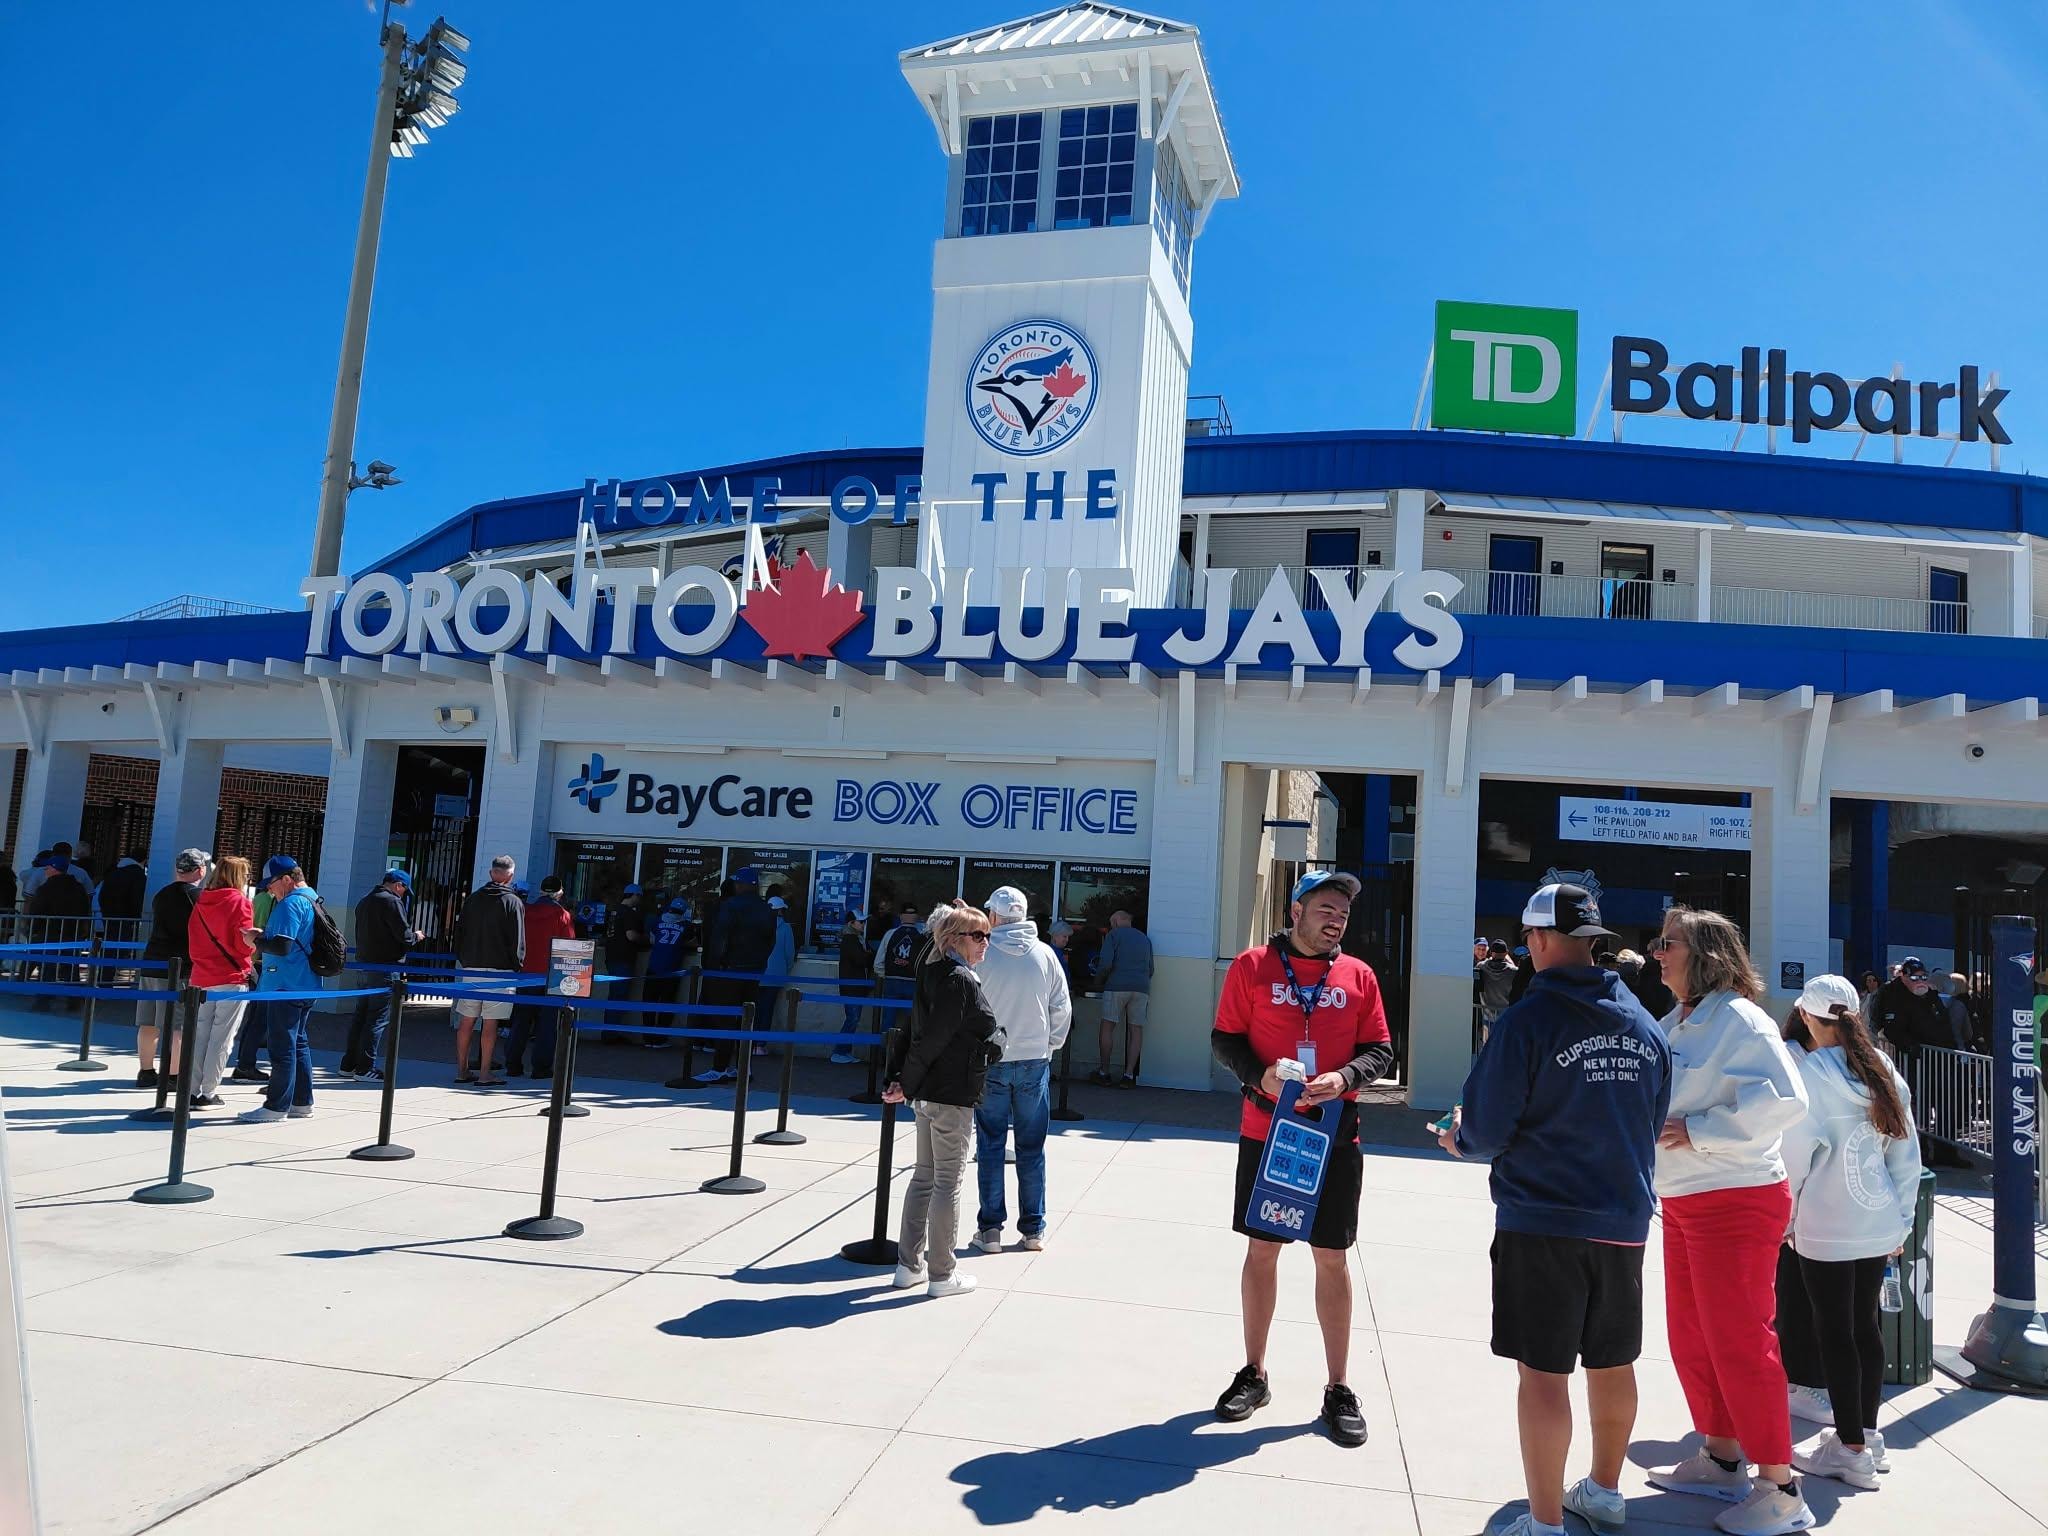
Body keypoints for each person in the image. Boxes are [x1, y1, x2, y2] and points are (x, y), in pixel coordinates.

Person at [1438, 882, 1672, 1536]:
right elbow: (1653, 1123)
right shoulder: (1645, 1026)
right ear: (1593, 942)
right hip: (1624, 1221)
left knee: (1543, 1374)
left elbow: (1485, 1131)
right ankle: (1604, 1489)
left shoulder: (1526, 1022)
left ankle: (1543, 1524)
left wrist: (1459, 1136)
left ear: (1538, 940)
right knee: (1612, 1360)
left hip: (1542, 1219)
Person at [1209, 870, 1393, 1449]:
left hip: (1334, 1138)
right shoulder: (1252, 967)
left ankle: (1338, 1386)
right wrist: (1257, 1073)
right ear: (1295, 911)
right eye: (1324, 908)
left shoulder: (1358, 975)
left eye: (1342, 910)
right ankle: (1255, 1372)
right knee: (1262, 1250)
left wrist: (1344, 1076)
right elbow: (1225, 1038)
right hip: (1268, 1131)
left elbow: (1382, 1051)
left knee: (1331, 1257)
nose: (1335, 918)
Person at [1644, 907, 1813, 1536]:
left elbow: (1787, 1098)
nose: (1658, 952)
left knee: (1741, 1341)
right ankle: (1721, 1455)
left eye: (1669, 943)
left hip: (1735, 1198)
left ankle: (1782, 1487)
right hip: (1686, 1199)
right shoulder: (1675, 1022)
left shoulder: (1740, 1019)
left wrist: (1701, 1130)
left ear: (1706, 953)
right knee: (1693, 1335)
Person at [1778, 974, 1922, 1492]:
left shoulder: (1811, 1073)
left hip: (1825, 1224)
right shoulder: (1883, 1068)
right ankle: (1865, 1435)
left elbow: (1796, 1157)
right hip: (1877, 1220)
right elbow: (1907, 1155)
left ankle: (1851, 1449)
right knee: (1865, 1330)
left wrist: (1786, 1220)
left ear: (1810, 1020)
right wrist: (1901, 1221)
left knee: (1834, 1333)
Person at [884, 902, 1005, 1299]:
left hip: (931, 1091)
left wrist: (905, 1080)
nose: (986, 942)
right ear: (954, 939)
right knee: (945, 1183)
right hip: (949, 1093)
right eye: (977, 935)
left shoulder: (935, 972)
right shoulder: (958, 980)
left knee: (924, 1177)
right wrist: (906, 1082)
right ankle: (941, 1274)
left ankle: (909, 1266)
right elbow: (932, 1037)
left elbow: (919, 1033)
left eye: (987, 934)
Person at [970, 887, 1072, 1255]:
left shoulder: (982, 953)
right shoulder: (1045, 954)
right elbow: (1062, 1006)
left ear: (993, 917)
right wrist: (1049, 1045)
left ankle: (990, 1229)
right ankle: (1033, 1230)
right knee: (1032, 1148)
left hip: (992, 1060)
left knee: (990, 1143)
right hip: (1033, 1061)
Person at [1773, 1005, 1836, 1436]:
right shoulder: (1793, 1059)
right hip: (1794, 1195)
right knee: (1794, 1292)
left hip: (1825, 1199)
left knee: (1816, 1297)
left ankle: (1809, 1379)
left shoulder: (1842, 1063)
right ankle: (1802, 1380)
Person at [236, 856, 325, 1124]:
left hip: (285, 984)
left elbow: (283, 947)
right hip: (304, 983)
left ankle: (276, 1106)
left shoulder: (290, 903)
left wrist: (256, 939)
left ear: (287, 879)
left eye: (271, 883)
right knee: (298, 1043)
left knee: (282, 1046)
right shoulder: (312, 898)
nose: (268, 889)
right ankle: (301, 1101)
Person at [1870, 956, 1964, 1166]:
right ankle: (1919, 1152)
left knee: (1946, 1105)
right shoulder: (1892, 994)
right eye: (1914, 976)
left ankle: (1946, 1152)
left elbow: (1942, 1022)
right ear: (1903, 976)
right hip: (1913, 1061)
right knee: (1917, 1108)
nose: (1919, 980)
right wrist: (1911, 1047)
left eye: (1922, 976)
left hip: (1940, 1060)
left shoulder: (1929, 995)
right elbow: (1891, 1028)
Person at [186, 856, 255, 1109]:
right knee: (222, 1038)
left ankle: (190, 1089)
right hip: (230, 976)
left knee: (199, 1034)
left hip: (201, 975)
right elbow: (242, 943)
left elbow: (193, 937)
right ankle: (209, 1091)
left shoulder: (202, 899)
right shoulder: (240, 902)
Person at [695, 866, 775, 1084]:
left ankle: (720, 1068)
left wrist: (715, 966)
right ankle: (744, 1069)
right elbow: (770, 942)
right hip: (753, 973)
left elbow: (720, 939)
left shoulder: (730, 906)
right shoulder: (766, 909)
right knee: (746, 1021)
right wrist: (759, 965)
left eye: (738, 882)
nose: (736, 885)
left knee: (725, 1021)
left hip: (728, 972)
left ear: (743, 884)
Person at [450, 855, 525, 1086]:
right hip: (500, 970)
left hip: (471, 966)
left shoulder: (472, 899)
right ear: (510, 875)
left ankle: (462, 1070)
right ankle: (484, 1073)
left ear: (491, 873)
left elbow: (458, 933)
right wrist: (516, 965)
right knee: (491, 1023)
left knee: (466, 1021)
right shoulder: (513, 902)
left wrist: (464, 959)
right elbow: (518, 941)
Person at [136, 849, 207, 1088]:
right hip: (180, 966)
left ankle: (146, 1071)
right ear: (200, 870)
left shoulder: (161, 894)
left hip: (152, 960)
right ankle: (174, 1075)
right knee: (178, 1025)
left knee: (148, 1021)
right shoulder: (199, 897)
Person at [345, 870, 420, 1079]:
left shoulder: (364, 901)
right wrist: (417, 936)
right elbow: (404, 937)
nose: (404, 895)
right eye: (404, 890)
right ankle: (365, 1067)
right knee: (377, 1019)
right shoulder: (393, 902)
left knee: (361, 1016)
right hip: (386, 968)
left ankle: (349, 1064)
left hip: (364, 965)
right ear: (398, 885)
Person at [511, 873, 578, 1078]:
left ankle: (513, 1064)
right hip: (551, 975)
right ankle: (541, 1068)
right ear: (559, 893)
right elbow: (569, 947)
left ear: (540, 891)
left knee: (521, 1021)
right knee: (547, 1025)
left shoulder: (524, 911)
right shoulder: (562, 915)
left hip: (525, 973)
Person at [1089, 909, 1154, 1087]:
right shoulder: (1144, 939)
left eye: (1111, 923)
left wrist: (1097, 981)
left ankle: (1104, 1072)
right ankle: (1129, 1075)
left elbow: (1106, 963)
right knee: (1136, 1030)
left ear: (1116, 922)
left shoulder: (1113, 935)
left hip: (1116, 986)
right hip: (1141, 988)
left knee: (1108, 1027)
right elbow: (1151, 968)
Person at [642, 895, 699, 1050]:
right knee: (667, 1004)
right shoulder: (686, 926)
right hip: (672, 970)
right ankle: (660, 1039)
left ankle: (647, 1038)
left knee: (649, 1002)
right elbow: (693, 943)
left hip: (653, 967)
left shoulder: (657, 921)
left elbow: (652, 940)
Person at [601, 884, 650, 1044]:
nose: (640, 900)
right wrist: (647, 939)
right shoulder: (629, 914)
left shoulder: (614, 911)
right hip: (623, 958)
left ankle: (609, 1032)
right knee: (619, 996)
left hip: (612, 957)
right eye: (640, 897)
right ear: (634, 895)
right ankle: (610, 1035)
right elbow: (631, 936)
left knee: (614, 995)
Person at [832, 912, 870, 1064]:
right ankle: (840, 1051)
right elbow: (860, 959)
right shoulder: (850, 940)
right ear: (851, 924)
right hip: (852, 985)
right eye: (860, 922)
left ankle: (845, 1050)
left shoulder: (856, 940)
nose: (863, 925)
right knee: (852, 1019)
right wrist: (868, 955)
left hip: (855, 985)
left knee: (853, 1019)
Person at [874, 902, 926, 1003]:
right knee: (912, 1017)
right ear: (916, 917)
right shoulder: (923, 936)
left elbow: (878, 963)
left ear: (901, 916)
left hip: (892, 981)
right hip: (913, 982)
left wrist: (888, 974)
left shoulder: (890, 934)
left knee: (889, 1016)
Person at [95, 849, 149, 938]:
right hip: (127, 919)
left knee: (110, 944)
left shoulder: (114, 872)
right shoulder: (138, 875)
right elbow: (137, 898)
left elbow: (102, 895)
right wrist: (136, 916)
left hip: (108, 916)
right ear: (144, 860)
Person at [1475, 938, 1518, 1040]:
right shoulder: (1513, 971)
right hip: (1506, 1015)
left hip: (1487, 1015)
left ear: (1491, 953)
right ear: (1506, 953)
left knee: (1487, 1046)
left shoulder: (1481, 967)